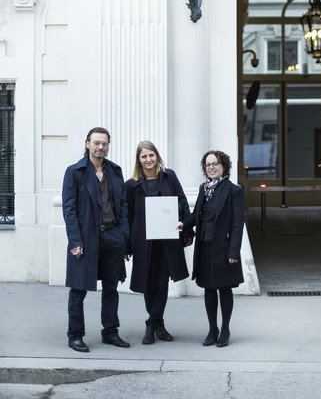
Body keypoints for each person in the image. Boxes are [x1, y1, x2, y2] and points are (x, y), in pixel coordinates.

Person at [62, 127, 130, 352]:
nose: (101, 147)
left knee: (111, 288)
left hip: (112, 236)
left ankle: (110, 332)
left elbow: (123, 205)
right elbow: (69, 209)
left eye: (104, 143)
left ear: (108, 145)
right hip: (86, 238)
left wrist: (123, 236)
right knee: (78, 288)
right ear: (88, 144)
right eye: (97, 143)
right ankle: (75, 335)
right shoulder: (75, 172)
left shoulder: (115, 171)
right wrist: (75, 241)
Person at [124, 141, 194, 344]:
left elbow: (182, 202)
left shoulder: (169, 177)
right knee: (148, 284)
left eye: (151, 155)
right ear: (139, 160)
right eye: (144, 156)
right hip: (143, 242)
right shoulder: (131, 185)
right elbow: (127, 216)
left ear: (157, 156)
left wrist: (187, 229)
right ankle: (157, 324)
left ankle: (152, 325)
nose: (148, 159)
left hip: (167, 240)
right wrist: (126, 246)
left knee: (162, 283)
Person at [178, 150, 245, 348]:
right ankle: (212, 329)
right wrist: (183, 223)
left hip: (224, 249)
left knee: (224, 288)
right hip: (205, 247)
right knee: (208, 288)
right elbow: (196, 214)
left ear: (224, 166)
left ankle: (225, 329)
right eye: (208, 164)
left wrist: (234, 251)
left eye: (215, 163)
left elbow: (237, 224)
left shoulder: (234, 190)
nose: (211, 167)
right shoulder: (204, 188)